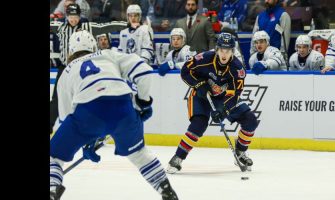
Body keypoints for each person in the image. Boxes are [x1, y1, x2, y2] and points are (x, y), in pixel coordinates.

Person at [49, 30, 179, 200]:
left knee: (55, 156)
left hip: (87, 113)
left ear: (71, 50)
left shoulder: (66, 71)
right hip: (123, 108)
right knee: (139, 154)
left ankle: (51, 189)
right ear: (94, 46)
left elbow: (67, 117)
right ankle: (167, 191)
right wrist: (142, 103)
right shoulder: (109, 54)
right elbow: (144, 71)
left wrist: (87, 139)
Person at [166, 33, 259, 173]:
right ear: (217, 49)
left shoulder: (237, 69)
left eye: (228, 51)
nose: (224, 54)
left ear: (233, 51)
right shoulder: (204, 58)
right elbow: (185, 71)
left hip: (223, 98)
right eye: (221, 49)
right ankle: (178, 157)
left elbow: (234, 94)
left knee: (250, 120)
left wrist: (223, 110)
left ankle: (240, 152)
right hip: (201, 95)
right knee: (199, 124)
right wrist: (198, 84)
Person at [50, 3, 92, 134]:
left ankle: (90, 127)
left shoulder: (86, 25)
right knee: (57, 98)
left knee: (85, 96)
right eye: (70, 16)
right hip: (64, 67)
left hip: (82, 66)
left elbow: (105, 27)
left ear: (80, 16)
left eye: (76, 17)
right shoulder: (60, 27)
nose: (73, 20)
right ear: (66, 16)